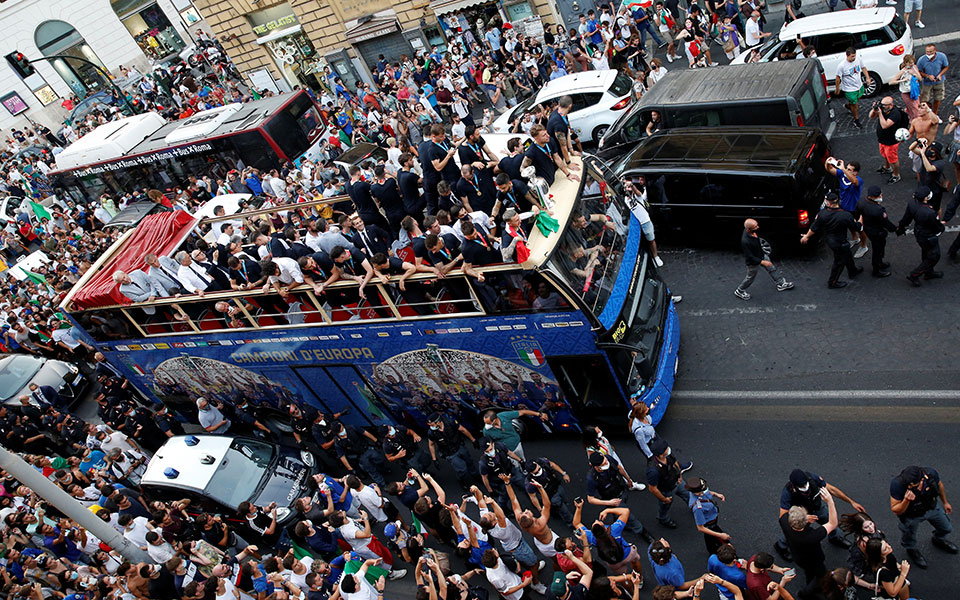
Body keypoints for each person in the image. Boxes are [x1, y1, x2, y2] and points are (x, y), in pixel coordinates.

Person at [775, 469, 864, 561]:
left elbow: (832, 490)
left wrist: (851, 502)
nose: (806, 487)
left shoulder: (812, 478)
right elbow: (783, 515)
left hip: (817, 508)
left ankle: (834, 538)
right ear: (794, 486)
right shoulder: (787, 493)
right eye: (802, 486)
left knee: (830, 520)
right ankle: (781, 546)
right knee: (794, 531)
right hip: (802, 514)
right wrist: (803, 518)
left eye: (806, 484)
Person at [889, 465, 957, 568]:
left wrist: (945, 503)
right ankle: (911, 549)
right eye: (909, 485)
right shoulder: (897, 484)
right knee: (909, 534)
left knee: (946, 527)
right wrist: (906, 501)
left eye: (914, 485)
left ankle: (938, 539)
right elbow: (895, 509)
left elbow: (940, 486)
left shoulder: (931, 474)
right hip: (911, 515)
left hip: (931, 508)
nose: (910, 487)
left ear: (922, 479)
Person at [779, 488, 838, 596]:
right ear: (805, 521)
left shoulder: (784, 521)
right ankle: (805, 593)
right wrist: (830, 501)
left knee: (809, 572)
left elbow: (785, 514)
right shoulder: (811, 536)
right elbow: (833, 523)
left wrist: (803, 518)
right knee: (821, 575)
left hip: (798, 556)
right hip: (814, 560)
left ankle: (809, 582)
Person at [800, 192, 863, 289]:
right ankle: (832, 282)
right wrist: (860, 220)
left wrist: (806, 237)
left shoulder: (822, 214)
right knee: (839, 262)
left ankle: (852, 270)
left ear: (828, 203)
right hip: (840, 242)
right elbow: (856, 227)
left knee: (847, 254)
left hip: (830, 240)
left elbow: (814, 227)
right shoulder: (845, 215)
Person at [896, 185, 945, 286]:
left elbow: (906, 219)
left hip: (919, 233)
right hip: (928, 236)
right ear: (926, 198)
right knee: (934, 256)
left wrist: (901, 228)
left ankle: (929, 272)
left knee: (926, 252)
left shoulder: (912, 204)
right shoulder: (929, 213)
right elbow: (937, 226)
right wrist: (941, 228)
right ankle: (915, 274)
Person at [734, 218, 794, 300]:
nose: (758, 227)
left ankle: (780, 284)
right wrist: (762, 262)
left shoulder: (751, 232)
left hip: (761, 255)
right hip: (753, 262)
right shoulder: (746, 241)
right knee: (750, 278)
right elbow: (750, 257)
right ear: (749, 229)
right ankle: (740, 290)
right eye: (755, 227)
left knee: (772, 268)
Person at [647, 437, 692, 529]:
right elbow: (653, 489)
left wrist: (679, 476)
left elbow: (675, 463)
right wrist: (664, 499)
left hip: (677, 482)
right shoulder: (653, 470)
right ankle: (663, 519)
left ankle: (693, 506)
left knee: (688, 495)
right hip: (666, 491)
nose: (668, 449)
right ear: (660, 455)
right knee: (665, 507)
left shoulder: (668, 456)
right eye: (666, 449)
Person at [855, 186, 897, 277]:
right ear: (871, 197)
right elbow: (886, 223)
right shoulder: (878, 210)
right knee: (878, 250)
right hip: (877, 232)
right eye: (878, 195)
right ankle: (876, 270)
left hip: (868, 229)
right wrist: (895, 229)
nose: (881, 195)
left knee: (878, 249)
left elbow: (857, 214)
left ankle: (880, 263)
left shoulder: (861, 202)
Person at [869, 97, 909, 184]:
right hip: (882, 139)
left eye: (884, 105)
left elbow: (885, 125)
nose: (882, 107)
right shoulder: (883, 109)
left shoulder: (895, 114)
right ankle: (887, 167)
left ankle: (896, 175)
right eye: (882, 105)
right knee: (885, 155)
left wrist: (880, 114)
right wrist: (874, 109)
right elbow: (871, 117)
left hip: (891, 141)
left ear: (891, 105)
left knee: (893, 159)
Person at [686, 478, 730, 555]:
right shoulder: (698, 508)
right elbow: (700, 528)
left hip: (713, 518)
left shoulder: (698, 491)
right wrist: (721, 535)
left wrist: (716, 494)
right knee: (716, 538)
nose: (704, 492)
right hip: (709, 524)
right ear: (696, 493)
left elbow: (707, 492)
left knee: (710, 539)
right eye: (701, 492)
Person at [835, 48, 872, 128]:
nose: (854, 58)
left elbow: (863, 68)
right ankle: (856, 120)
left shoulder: (858, 59)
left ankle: (849, 106)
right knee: (855, 104)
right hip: (849, 89)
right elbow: (838, 78)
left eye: (854, 56)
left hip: (859, 85)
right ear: (847, 56)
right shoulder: (842, 66)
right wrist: (837, 88)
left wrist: (868, 78)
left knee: (857, 99)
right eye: (852, 57)